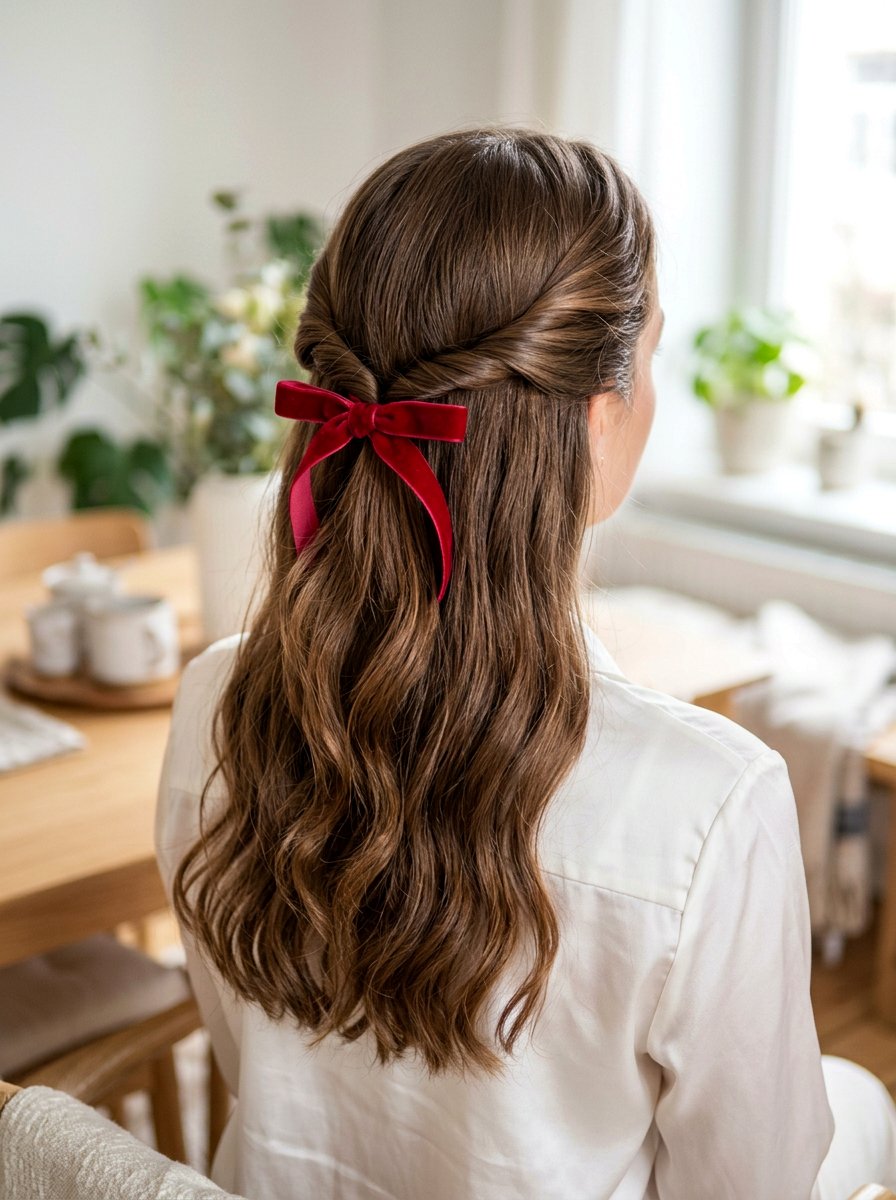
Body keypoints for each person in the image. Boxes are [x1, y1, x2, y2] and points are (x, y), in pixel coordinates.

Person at [156, 127, 896, 1199]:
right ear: (596, 418)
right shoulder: (710, 803)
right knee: (860, 1106)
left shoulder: (211, 700)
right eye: (650, 365)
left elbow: (240, 1057)